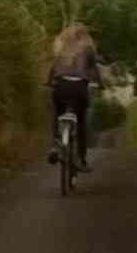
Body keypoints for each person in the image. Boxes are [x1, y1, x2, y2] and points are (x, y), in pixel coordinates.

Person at [46, 22, 101, 172]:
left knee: (57, 114)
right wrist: (100, 84)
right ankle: (82, 159)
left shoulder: (61, 48)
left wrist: (48, 83)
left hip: (60, 87)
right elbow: (94, 71)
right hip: (79, 89)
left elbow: (53, 69)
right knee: (82, 121)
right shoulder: (88, 49)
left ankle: (55, 145)